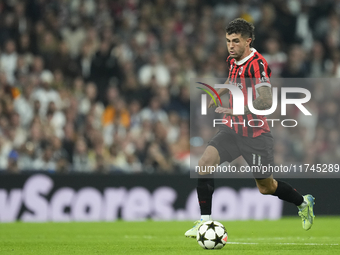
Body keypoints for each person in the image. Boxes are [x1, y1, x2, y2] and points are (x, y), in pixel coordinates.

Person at [185, 18, 315, 238]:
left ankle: (303, 203)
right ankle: (204, 222)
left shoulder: (258, 64)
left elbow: (265, 101)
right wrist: (220, 92)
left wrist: (236, 111)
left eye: (235, 41)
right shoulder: (234, 59)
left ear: (248, 41)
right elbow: (232, 79)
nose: (230, 45)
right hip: (232, 131)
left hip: (255, 135)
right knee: (204, 163)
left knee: (266, 187)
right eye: (228, 41)